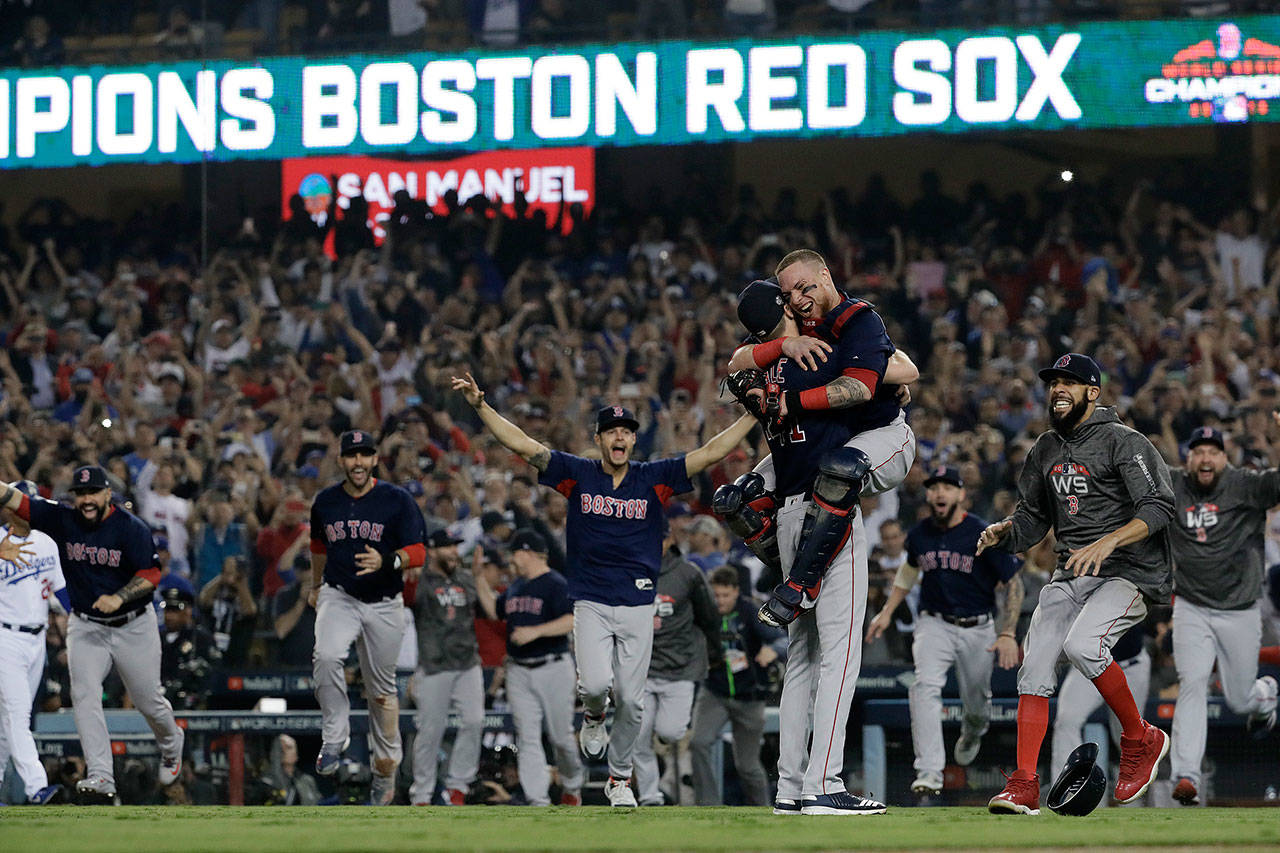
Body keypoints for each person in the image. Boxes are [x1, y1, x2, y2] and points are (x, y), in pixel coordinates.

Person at [451, 372, 756, 808]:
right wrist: (481, 406)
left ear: (633, 441)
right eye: (612, 431)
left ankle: (619, 780)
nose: (620, 437)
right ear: (598, 438)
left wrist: (750, 417)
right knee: (595, 685)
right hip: (590, 600)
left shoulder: (654, 477)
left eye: (627, 432)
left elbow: (709, 453)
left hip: (637, 602)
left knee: (632, 701)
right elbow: (522, 444)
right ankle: (594, 716)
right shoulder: (579, 473)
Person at [720, 266, 914, 816]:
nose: (800, 303)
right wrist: (894, 376)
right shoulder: (818, 354)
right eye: (789, 299)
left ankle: (789, 790)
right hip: (826, 514)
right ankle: (824, 783)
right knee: (841, 656)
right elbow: (889, 376)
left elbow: (734, 369)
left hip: (786, 513)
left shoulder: (763, 370)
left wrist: (766, 349)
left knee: (802, 661)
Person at [978, 353, 1175, 815]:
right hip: (1072, 573)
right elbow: (1033, 518)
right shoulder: (1045, 448)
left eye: (1070, 382)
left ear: (1093, 392)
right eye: (1053, 383)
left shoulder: (1123, 441)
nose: (1058, 389)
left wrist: (1108, 542)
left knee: (1085, 646)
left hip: (1129, 573)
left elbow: (1159, 505)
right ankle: (1024, 784)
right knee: (1034, 669)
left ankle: (1140, 739)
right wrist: (1007, 530)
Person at [0, 466, 185, 803]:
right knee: (84, 695)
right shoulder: (62, 519)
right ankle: (100, 774)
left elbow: (151, 573)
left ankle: (172, 743)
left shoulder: (130, 528)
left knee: (147, 700)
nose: (86, 500)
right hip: (87, 625)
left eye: (93, 493)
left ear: (106, 495)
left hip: (133, 624)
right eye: (80, 494)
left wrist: (120, 596)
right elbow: (17, 500)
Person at [866, 465, 1023, 799]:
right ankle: (929, 771)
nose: (940, 493)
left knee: (978, 706)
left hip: (978, 626)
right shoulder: (921, 533)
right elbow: (910, 570)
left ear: (961, 495)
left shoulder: (982, 532)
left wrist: (1007, 632)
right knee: (923, 687)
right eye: (935, 487)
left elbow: (1013, 583)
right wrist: (888, 610)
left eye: (948, 487)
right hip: (933, 622)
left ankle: (973, 730)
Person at [307, 429, 427, 806]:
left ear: (375, 459)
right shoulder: (325, 502)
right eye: (351, 455)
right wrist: (314, 585)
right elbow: (317, 547)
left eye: (364, 455)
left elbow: (419, 552)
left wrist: (388, 560)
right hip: (339, 595)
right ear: (341, 460)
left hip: (384, 601)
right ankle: (334, 737)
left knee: (381, 692)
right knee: (326, 658)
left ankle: (385, 768)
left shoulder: (396, 500)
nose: (358, 462)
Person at [1166, 423, 1280, 806]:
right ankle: (1186, 776)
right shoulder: (1173, 484)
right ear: (1188, 458)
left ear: (1224, 456)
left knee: (1239, 699)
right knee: (1193, 683)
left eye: (1213, 451)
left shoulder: (1245, 483)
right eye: (1198, 451)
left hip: (1240, 609)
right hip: (1192, 607)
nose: (1205, 458)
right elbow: (1134, 476)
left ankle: (1265, 695)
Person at [474, 528, 583, 807]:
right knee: (528, 738)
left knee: (561, 737)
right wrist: (477, 578)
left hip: (553, 666)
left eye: (515, 553)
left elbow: (573, 620)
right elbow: (494, 610)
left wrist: (536, 631)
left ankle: (571, 785)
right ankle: (537, 800)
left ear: (527, 552)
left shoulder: (555, 583)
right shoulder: (516, 587)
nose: (512, 559)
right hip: (519, 670)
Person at [633, 523, 721, 806]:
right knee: (638, 735)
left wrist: (715, 652)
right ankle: (649, 795)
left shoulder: (688, 573)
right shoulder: (630, 572)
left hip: (681, 666)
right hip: (643, 668)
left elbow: (709, 617)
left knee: (670, 731)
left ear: (668, 539)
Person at [691, 566, 784, 806]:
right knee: (699, 742)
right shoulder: (704, 613)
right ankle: (708, 805)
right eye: (716, 595)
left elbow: (784, 639)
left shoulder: (751, 612)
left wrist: (772, 649)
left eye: (725, 595)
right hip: (714, 692)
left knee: (747, 765)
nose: (720, 601)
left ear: (735, 592)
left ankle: (764, 808)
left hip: (749, 696)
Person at [0, 481, 69, 805]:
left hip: (37, 639)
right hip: (5, 637)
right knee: (17, 713)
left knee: (9, 719)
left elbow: (63, 592)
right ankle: (37, 787)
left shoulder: (45, 542)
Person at [407, 528, 484, 807]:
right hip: (434, 664)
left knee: (474, 720)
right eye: (447, 547)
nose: (453, 552)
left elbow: (486, 609)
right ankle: (423, 794)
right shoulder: (420, 581)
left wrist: (477, 576)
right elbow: (403, 599)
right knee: (430, 730)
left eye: (455, 547)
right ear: (433, 551)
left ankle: (457, 787)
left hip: (467, 662)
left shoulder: (465, 579)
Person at [1050, 623, 1151, 793]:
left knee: (1129, 736)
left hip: (1131, 666)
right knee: (1067, 721)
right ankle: (1066, 792)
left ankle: (1134, 797)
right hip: (1088, 664)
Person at [158, 586, 219, 711]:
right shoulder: (156, 638)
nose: (169, 615)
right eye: (167, 610)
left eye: (174, 610)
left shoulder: (200, 638)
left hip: (188, 703)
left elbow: (212, 672)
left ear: (188, 611)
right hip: (158, 700)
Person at [258, 734, 321, 806]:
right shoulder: (267, 782)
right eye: (280, 748)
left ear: (296, 753)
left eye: (289, 747)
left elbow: (317, 804)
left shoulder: (307, 781)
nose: (283, 751)